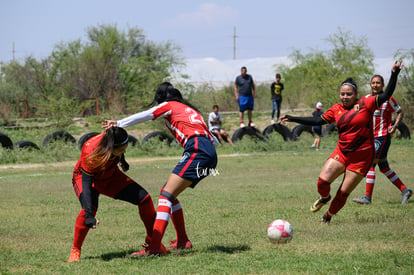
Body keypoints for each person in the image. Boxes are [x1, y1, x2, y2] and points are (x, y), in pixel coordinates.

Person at [102, 82, 218, 256]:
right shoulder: (191, 111)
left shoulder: (169, 105)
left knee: (165, 196)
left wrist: (118, 123)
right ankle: (182, 240)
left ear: (161, 99)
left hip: (197, 150)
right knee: (168, 193)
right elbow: (214, 140)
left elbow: (147, 115)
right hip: (209, 153)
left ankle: (154, 247)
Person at [281, 61, 403, 224]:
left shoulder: (366, 104)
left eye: (349, 94)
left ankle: (327, 217)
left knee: (343, 193)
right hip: (342, 153)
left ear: (356, 94)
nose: (345, 97)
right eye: (342, 94)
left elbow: (386, 95)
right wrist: (293, 118)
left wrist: (394, 74)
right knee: (322, 182)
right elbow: (317, 121)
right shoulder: (336, 109)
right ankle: (325, 197)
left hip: (362, 157)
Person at [68, 127, 157, 262]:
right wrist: (89, 215)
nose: (123, 151)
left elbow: (119, 149)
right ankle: (76, 249)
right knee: (90, 208)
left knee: (144, 198)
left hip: (109, 174)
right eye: (121, 151)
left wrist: (122, 160)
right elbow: (86, 184)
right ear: (110, 148)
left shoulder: (115, 138)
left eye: (125, 149)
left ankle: (153, 243)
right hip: (86, 178)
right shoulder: (91, 151)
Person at [352, 74, 412, 205]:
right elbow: (357, 112)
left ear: (383, 85)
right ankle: (405, 190)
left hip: (382, 137)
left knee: (370, 164)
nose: (375, 85)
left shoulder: (388, 99)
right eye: (373, 83)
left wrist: (395, 126)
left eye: (378, 83)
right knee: (384, 167)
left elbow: (400, 112)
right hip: (370, 138)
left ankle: (367, 198)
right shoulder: (366, 99)